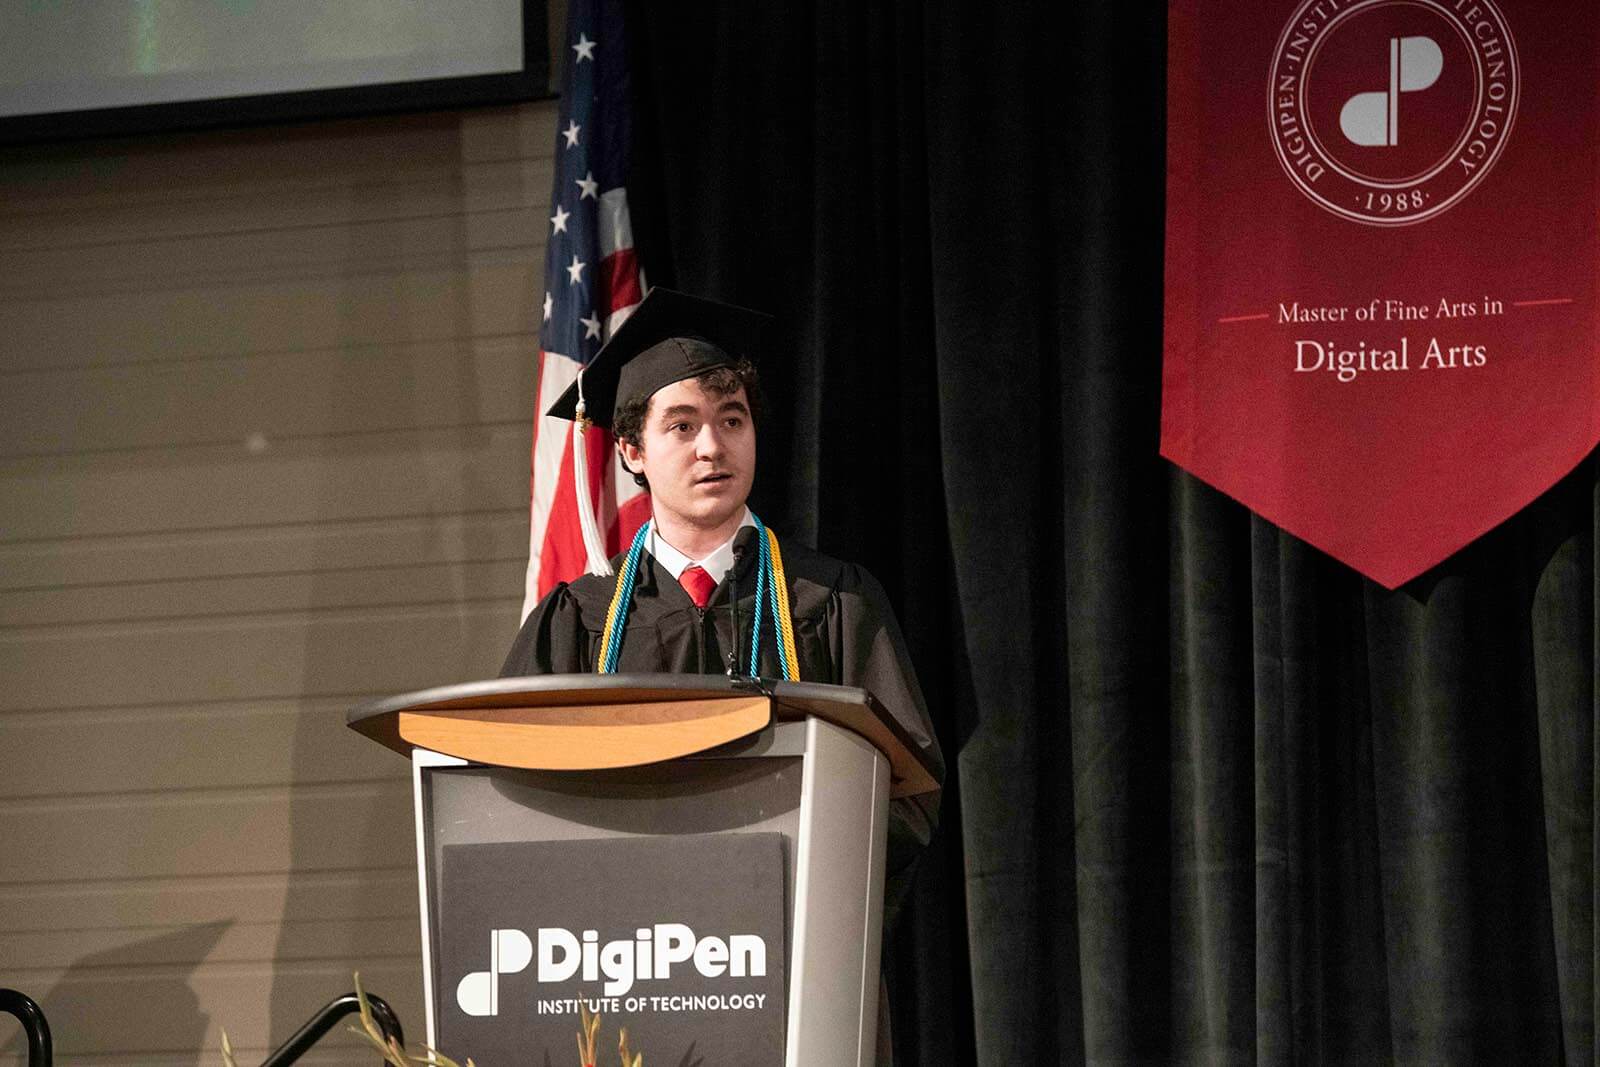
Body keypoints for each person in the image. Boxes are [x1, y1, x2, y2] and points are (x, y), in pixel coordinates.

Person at [501, 287, 943, 927]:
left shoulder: (832, 599)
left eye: (731, 419)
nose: (712, 446)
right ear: (632, 452)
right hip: (621, 947)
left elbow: (907, 791)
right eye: (681, 426)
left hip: (793, 936)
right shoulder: (578, 619)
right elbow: (515, 795)